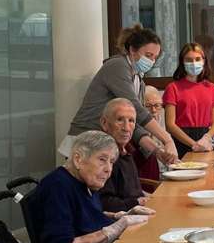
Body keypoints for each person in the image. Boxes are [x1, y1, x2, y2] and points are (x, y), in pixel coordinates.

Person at [28, 132, 148, 243]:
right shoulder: (57, 187)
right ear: (78, 159)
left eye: (111, 162)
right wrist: (112, 230)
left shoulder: (84, 180)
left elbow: (86, 215)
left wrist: (120, 216)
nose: (108, 169)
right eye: (102, 159)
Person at [66, 25, 178, 166]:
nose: (152, 61)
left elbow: (134, 123)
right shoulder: (117, 66)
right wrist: (167, 139)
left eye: (155, 57)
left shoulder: (138, 80)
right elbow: (137, 109)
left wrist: (157, 152)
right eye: (148, 55)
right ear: (132, 50)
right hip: (86, 139)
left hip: (106, 143)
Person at [163, 43, 214, 157]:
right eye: (189, 60)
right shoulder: (172, 88)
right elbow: (170, 125)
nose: (194, 63)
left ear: (204, 61)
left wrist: (206, 138)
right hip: (180, 141)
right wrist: (193, 144)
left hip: (204, 140)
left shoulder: (213, 89)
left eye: (197, 59)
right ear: (182, 62)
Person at [98, 99, 156, 216]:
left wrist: (149, 197)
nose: (126, 128)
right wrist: (137, 202)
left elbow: (130, 190)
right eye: (120, 120)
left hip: (140, 211)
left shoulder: (126, 151)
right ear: (104, 123)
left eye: (131, 121)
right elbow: (105, 202)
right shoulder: (102, 157)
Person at [130, 85, 164, 186]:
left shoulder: (160, 127)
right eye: (148, 106)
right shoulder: (133, 132)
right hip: (145, 186)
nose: (153, 110)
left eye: (157, 105)